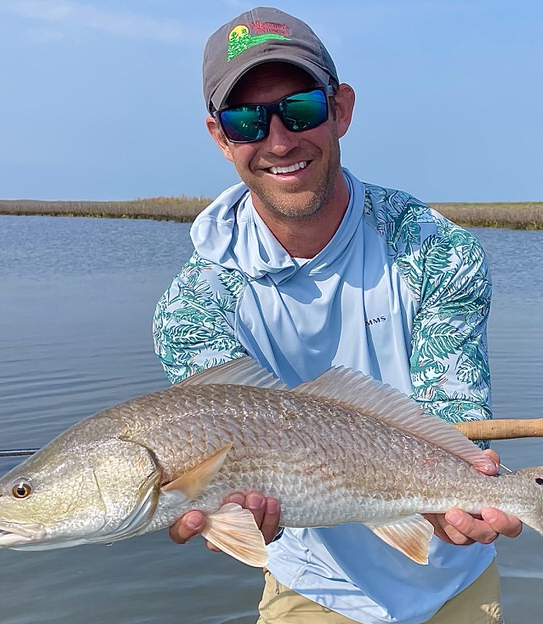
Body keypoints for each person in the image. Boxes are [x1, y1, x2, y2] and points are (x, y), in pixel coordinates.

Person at [152, 7, 522, 623]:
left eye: (300, 109)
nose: (278, 141)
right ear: (221, 137)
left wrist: (465, 489)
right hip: (314, 585)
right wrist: (233, 518)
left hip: (455, 577)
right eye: (247, 120)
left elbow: (452, 413)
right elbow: (225, 460)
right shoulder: (194, 306)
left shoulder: (437, 251)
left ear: (341, 109)